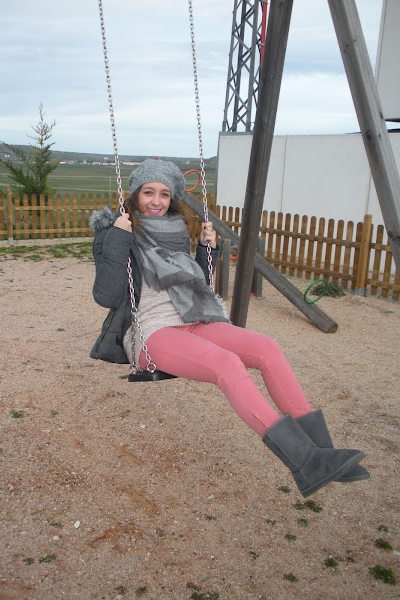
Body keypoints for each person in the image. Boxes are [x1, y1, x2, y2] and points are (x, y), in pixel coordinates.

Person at [90, 159, 369, 498]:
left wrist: (205, 250)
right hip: (151, 333)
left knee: (266, 347)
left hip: (191, 320)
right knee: (227, 363)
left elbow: (196, 285)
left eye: (164, 193)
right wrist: (118, 237)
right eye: (148, 192)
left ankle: (323, 452)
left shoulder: (174, 229)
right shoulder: (115, 232)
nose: (156, 201)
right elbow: (105, 296)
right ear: (135, 194)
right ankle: (305, 461)